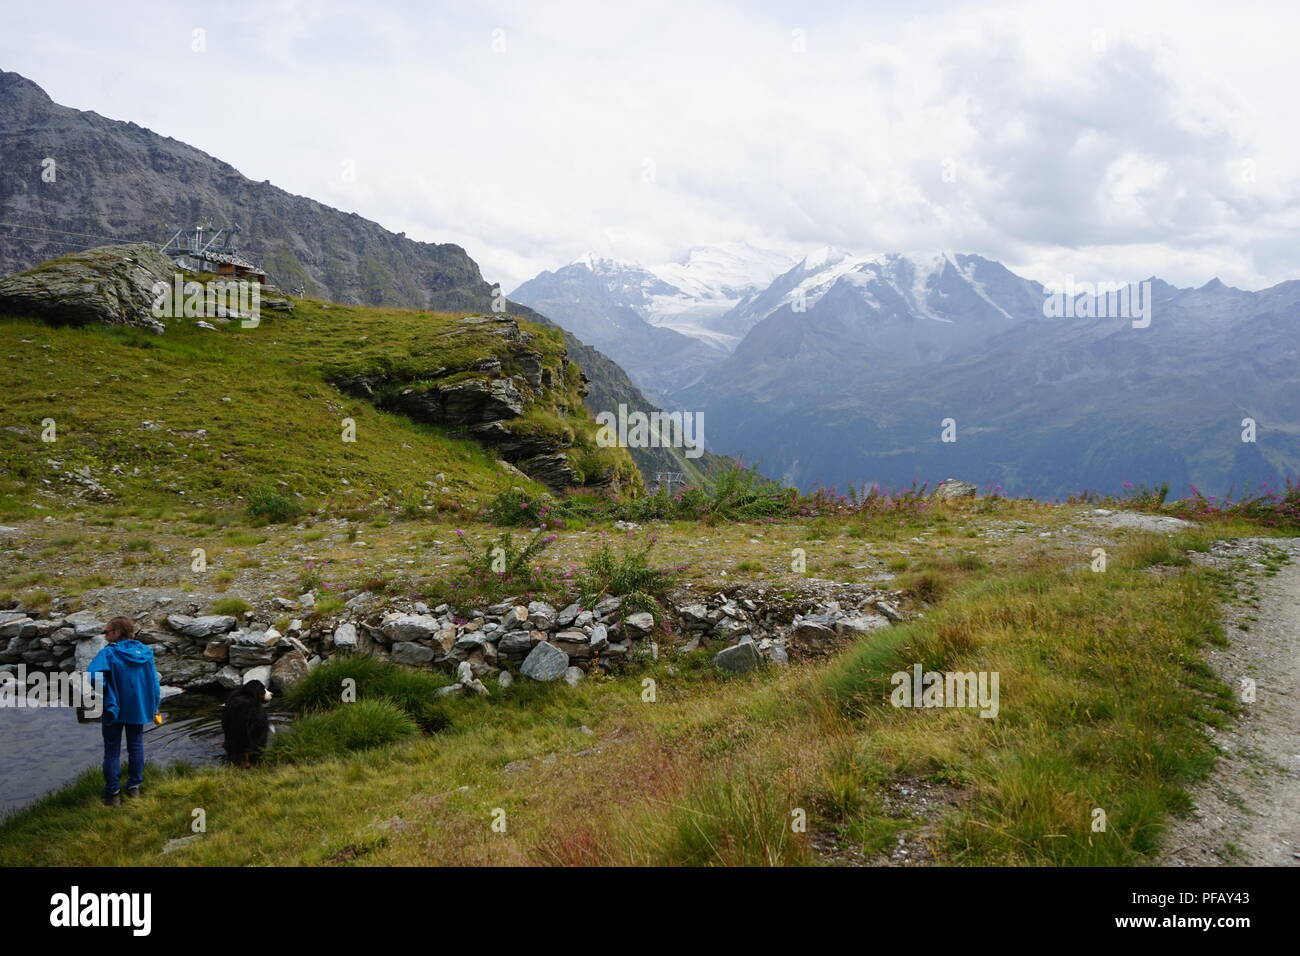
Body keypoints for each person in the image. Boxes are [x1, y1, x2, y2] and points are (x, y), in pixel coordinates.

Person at [86, 616, 161, 807]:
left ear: (117, 632)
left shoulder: (108, 653)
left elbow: (94, 677)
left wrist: (106, 690)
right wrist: (154, 705)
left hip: (114, 708)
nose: (105, 634)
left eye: (107, 631)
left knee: (112, 751)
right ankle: (134, 787)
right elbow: (154, 682)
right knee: (136, 745)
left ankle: (113, 795)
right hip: (138, 708)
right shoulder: (145, 652)